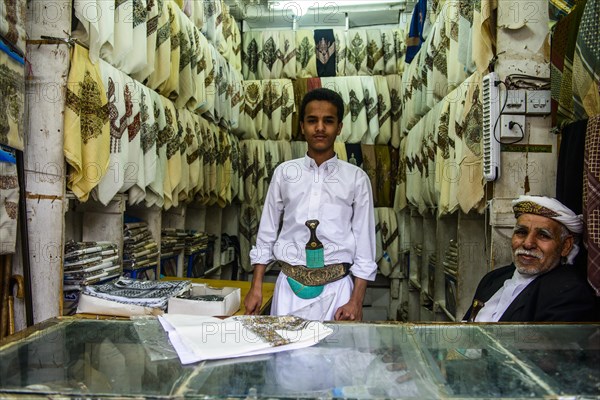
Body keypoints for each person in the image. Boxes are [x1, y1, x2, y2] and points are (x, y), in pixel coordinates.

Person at [244, 87, 377, 321]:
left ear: (339, 127)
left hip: (338, 293)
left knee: (333, 357)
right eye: (312, 120)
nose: (320, 128)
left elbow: (365, 245)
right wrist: (256, 287)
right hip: (288, 290)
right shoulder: (285, 173)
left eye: (328, 121)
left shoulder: (356, 178)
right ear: (302, 126)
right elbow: (266, 232)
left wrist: (356, 301)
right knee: (285, 356)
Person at [464, 195, 599, 322]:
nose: (528, 243)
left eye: (543, 235)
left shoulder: (568, 293)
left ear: (565, 246)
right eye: (521, 232)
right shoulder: (493, 278)